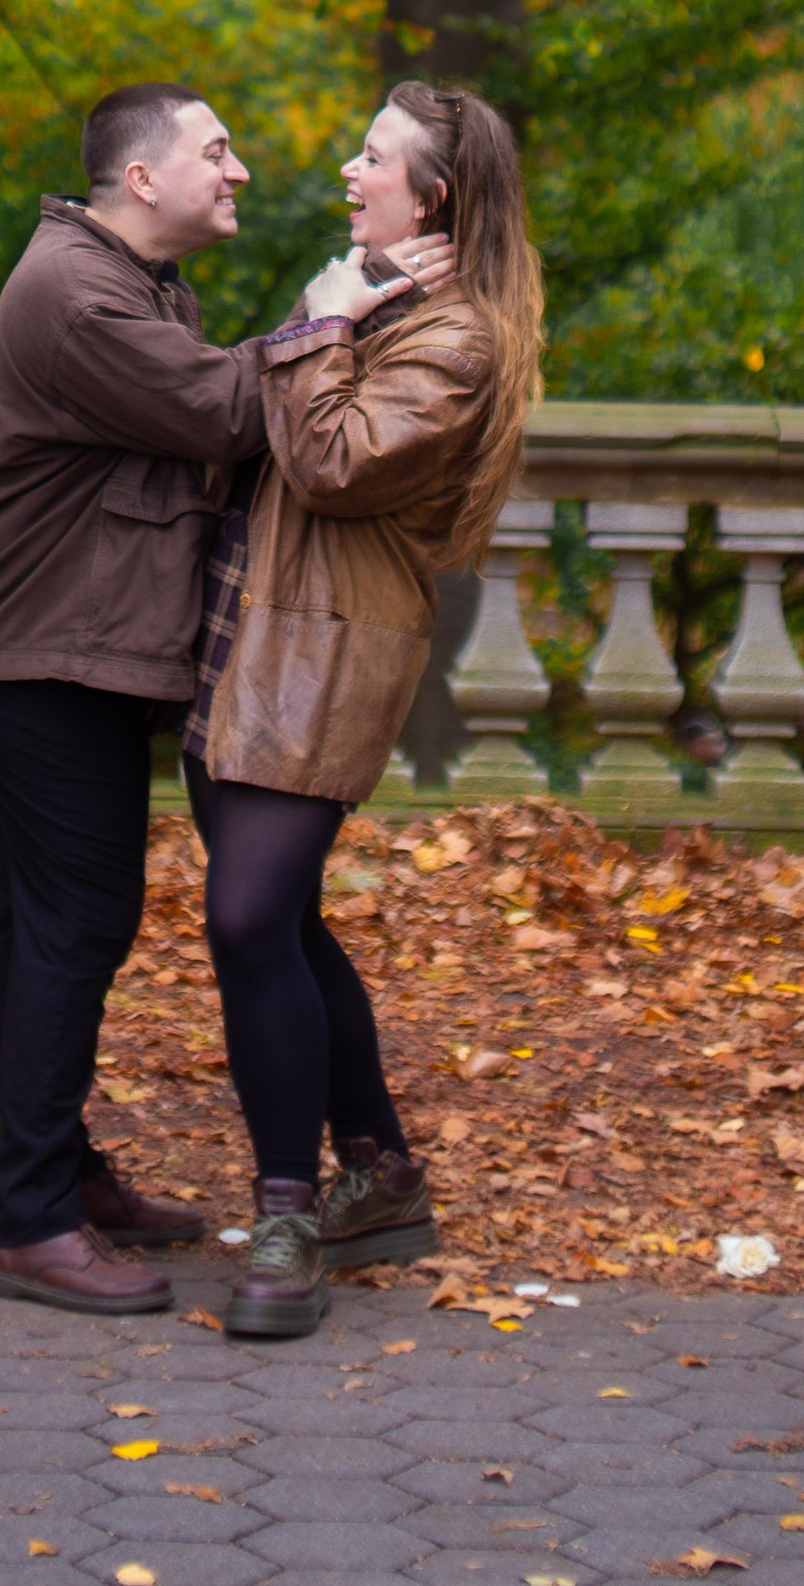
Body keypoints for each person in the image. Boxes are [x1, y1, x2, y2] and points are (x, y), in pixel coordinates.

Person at [185, 80, 543, 1340]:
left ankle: (288, 1209)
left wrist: (321, 318)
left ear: (432, 196)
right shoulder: (369, 296)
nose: (348, 169)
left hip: (323, 657)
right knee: (282, 924)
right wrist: (329, 313)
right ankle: (379, 1172)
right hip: (244, 640)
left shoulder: (454, 339)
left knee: (244, 921)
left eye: (374, 158)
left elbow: (329, 461)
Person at [0, 80, 267, 1316]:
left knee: (39, 921)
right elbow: (227, 408)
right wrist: (335, 316)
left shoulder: (131, 282)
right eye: (216, 152)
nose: (237, 172)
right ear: (141, 179)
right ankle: (29, 1224)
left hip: (57, 647)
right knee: (78, 917)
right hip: (38, 652)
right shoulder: (76, 291)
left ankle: (56, 1179)